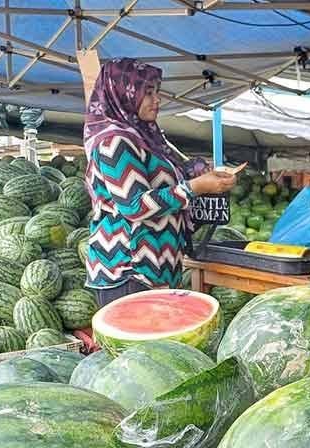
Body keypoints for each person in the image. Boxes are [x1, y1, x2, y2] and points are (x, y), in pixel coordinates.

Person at [83, 58, 236, 306]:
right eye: (148, 93)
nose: (157, 100)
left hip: (159, 269)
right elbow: (134, 205)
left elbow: (162, 182)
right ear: (124, 94)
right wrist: (195, 187)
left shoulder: (145, 137)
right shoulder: (114, 142)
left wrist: (196, 172)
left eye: (157, 92)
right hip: (130, 271)